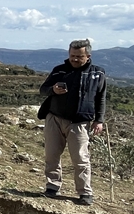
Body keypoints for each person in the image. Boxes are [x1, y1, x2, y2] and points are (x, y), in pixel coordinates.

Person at [37, 39, 106, 205]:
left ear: (87, 56)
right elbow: (42, 90)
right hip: (55, 118)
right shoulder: (59, 70)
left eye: (78, 56)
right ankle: (52, 187)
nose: (74, 59)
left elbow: (101, 98)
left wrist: (99, 120)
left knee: (81, 158)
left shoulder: (98, 73)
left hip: (80, 122)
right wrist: (53, 90)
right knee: (52, 155)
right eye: (72, 55)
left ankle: (84, 193)